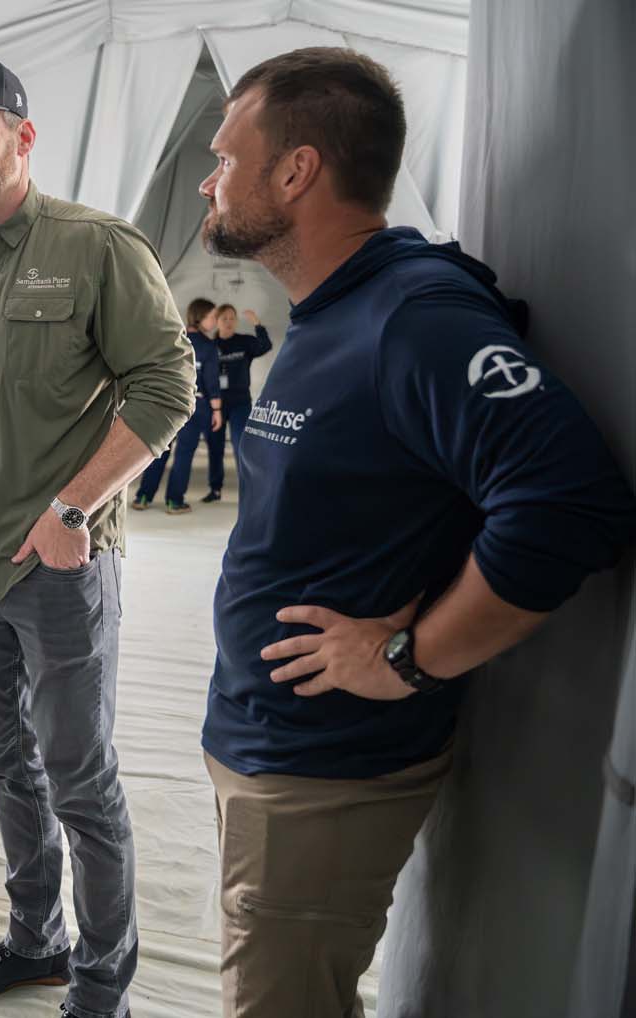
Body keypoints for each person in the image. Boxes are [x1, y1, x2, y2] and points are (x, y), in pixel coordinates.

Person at [196, 47, 636, 1017]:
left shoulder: (413, 315)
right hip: (271, 739)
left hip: (323, 765)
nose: (207, 177)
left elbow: (569, 497)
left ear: (297, 170)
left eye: (225, 156)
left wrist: (408, 655)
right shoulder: (339, 307)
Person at [0, 58, 194, 1018]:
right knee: (4, 761)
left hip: (61, 570)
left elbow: (166, 385)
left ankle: (103, 984)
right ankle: (37, 941)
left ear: (22, 138)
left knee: (79, 776)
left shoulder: (95, 245)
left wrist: (72, 510)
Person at [130, 299, 222, 514]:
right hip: (196, 405)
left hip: (167, 403)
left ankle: (143, 496)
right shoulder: (208, 347)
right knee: (184, 454)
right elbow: (212, 382)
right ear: (200, 317)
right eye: (212, 317)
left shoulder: (174, 339)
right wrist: (217, 410)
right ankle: (174, 501)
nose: (215, 321)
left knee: (160, 451)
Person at [200, 304, 272, 503]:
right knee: (215, 448)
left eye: (232, 318)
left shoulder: (245, 342)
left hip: (240, 402)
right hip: (216, 405)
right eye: (224, 318)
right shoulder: (209, 345)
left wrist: (257, 323)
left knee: (242, 445)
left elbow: (265, 346)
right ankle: (215, 489)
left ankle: (248, 490)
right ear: (217, 322)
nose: (228, 322)